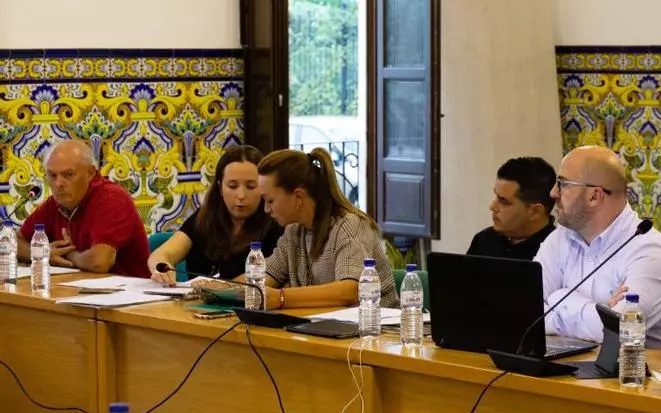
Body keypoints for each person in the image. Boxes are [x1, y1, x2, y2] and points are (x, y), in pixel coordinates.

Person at [534, 145, 661, 347]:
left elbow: (617, 331)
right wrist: (599, 310)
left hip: (637, 366)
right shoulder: (561, 237)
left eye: (563, 184)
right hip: (572, 364)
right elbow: (525, 312)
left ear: (595, 196)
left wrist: (558, 298)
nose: (553, 193)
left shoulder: (650, 252)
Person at [256, 147, 398, 309]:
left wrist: (281, 297)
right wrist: (234, 289)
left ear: (299, 196)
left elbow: (350, 291)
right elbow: (263, 279)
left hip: (376, 323)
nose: (266, 209)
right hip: (321, 323)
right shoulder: (293, 231)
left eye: (270, 200)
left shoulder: (349, 226)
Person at [148, 145, 283, 285]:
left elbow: (271, 277)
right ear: (220, 188)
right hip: (195, 298)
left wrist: (220, 287)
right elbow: (161, 255)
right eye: (232, 186)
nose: (241, 195)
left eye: (250, 187)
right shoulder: (204, 217)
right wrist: (162, 268)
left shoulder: (277, 224)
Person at [16, 140, 150, 278]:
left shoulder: (112, 199)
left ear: (90, 173)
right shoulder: (55, 204)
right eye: (52, 175)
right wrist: (43, 253)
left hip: (127, 289)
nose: (58, 184)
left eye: (68, 174)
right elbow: (13, 242)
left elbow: (99, 262)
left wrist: (68, 254)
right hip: (77, 287)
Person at [466, 156, 556, 260]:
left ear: (535, 211)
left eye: (503, 201)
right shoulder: (484, 240)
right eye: (496, 196)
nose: (492, 207)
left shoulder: (558, 252)